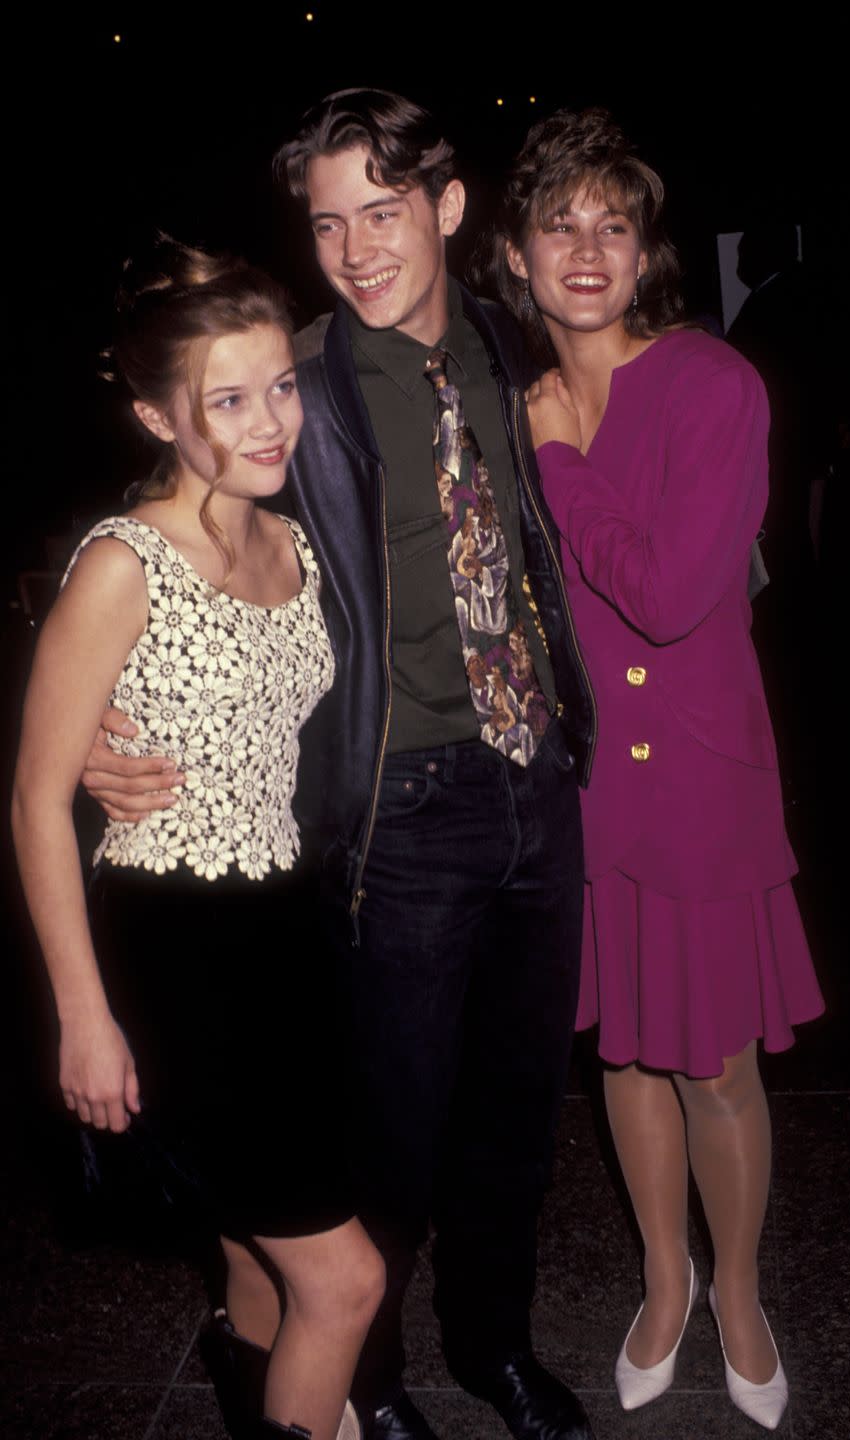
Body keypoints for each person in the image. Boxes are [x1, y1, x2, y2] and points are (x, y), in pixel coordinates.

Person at [80, 92, 598, 1440]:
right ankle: (361, 1381)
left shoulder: (509, 341)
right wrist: (93, 727)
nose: (358, 245)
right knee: (388, 1138)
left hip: (537, 784)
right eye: (327, 222)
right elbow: (172, 546)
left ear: (446, 207)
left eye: (383, 209)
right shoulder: (289, 388)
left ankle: (491, 1350)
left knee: (515, 1119)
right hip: (397, 805)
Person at [485, 108, 824, 1431]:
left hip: (693, 774)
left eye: (609, 225)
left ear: (645, 253)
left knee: (716, 1062)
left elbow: (676, 595)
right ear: (513, 253)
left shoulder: (710, 386)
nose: (583, 247)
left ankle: (738, 1294)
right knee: (625, 1052)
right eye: (557, 223)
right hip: (584, 786)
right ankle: (662, 1281)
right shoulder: (506, 409)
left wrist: (560, 458)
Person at [12, 238, 384, 1440]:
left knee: (253, 1248)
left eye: (280, 385)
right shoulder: (125, 565)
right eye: (228, 399)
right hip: (176, 946)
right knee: (345, 1277)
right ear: (154, 414)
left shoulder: (293, 539)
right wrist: (82, 1013)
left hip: (285, 926)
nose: (271, 420)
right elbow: (34, 799)